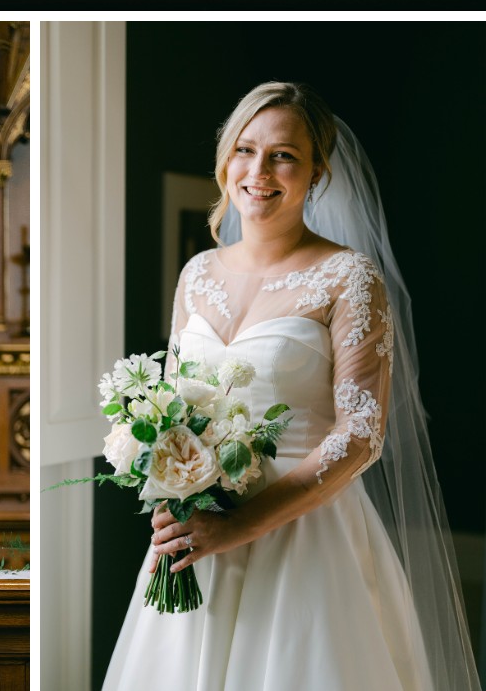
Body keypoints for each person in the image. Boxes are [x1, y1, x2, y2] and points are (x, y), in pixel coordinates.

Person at [102, 81, 479, 691]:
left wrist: (241, 526)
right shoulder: (197, 273)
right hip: (197, 531)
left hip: (305, 537)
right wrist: (173, 495)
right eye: (245, 150)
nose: (259, 171)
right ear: (227, 160)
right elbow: (170, 410)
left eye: (283, 155)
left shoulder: (348, 276)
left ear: (316, 172)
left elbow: (360, 436)